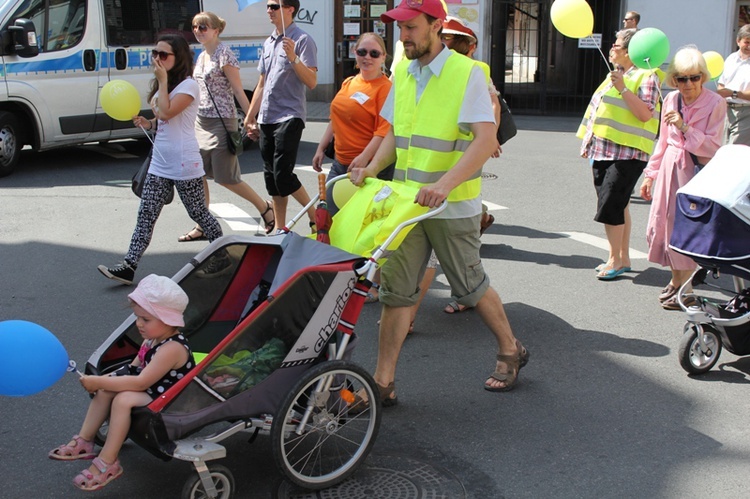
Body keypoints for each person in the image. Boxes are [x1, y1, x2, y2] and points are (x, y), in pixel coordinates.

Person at [350, 0, 528, 399]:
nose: (404, 36)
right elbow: (395, 133)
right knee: (396, 292)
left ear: (435, 26)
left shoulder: (466, 73)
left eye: (411, 27)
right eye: (400, 29)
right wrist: (372, 168)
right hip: (410, 204)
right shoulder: (404, 72)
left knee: (469, 285)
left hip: (452, 203)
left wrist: (445, 185)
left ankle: (510, 348)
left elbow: (486, 139)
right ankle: (383, 382)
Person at [98, 35, 224, 285]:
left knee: (198, 212)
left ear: (178, 59)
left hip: (184, 163)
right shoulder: (164, 85)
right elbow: (164, 118)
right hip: (160, 163)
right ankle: (129, 266)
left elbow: (168, 110)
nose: (157, 58)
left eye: (163, 55)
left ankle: (222, 256)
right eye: (155, 53)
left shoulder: (189, 86)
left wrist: (163, 82)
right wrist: (150, 123)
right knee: (146, 214)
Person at [49, 275, 194, 492]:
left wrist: (98, 380)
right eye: (137, 317)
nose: (139, 324)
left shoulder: (172, 348)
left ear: (168, 320)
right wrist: (103, 381)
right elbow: (132, 368)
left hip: (171, 397)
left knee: (123, 399)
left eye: (146, 320)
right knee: (108, 389)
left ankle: (109, 462)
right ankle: (85, 440)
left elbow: (140, 381)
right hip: (153, 389)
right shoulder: (152, 339)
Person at [639, 47, 726, 310]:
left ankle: (684, 288)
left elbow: (713, 146)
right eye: (682, 78)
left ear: (703, 77)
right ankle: (677, 280)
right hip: (669, 168)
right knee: (665, 224)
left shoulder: (715, 103)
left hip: (696, 172)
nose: (688, 84)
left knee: (687, 227)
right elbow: (663, 142)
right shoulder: (672, 100)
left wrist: (685, 127)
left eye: (694, 77)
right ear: (674, 79)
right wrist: (650, 175)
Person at [178, 11, 275, 242]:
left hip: (223, 122)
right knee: (198, 174)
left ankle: (264, 207)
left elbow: (239, 91)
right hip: (201, 121)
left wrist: (251, 119)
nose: (198, 31)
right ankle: (202, 222)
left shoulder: (225, 55)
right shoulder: (201, 57)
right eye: (195, 27)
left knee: (226, 177)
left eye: (203, 27)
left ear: (216, 30)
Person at [577, 28, 662, 281]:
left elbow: (645, 114)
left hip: (628, 152)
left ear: (630, 51)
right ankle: (621, 257)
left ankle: (614, 259)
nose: (611, 49)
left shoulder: (645, 76)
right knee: (620, 203)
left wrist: (624, 88)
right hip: (605, 150)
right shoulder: (617, 74)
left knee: (611, 205)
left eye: (616, 45)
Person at [245, 0, 317, 232]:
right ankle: (280, 227)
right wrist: (249, 116)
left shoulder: (303, 40)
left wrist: (294, 57)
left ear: (290, 9)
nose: (269, 10)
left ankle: (315, 216)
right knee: (271, 179)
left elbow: (312, 81)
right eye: (268, 6)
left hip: (290, 115)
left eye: (274, 6)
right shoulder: (268, 42)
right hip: (267, 116)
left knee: (282, 174)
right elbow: (262, 83)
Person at [312, 32, 393, 215]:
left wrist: (364, 158)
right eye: (362, 52)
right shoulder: (349, 82)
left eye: (374, 53)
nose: (367, 57)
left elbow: (383, 131)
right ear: (355, 52)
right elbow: (336, 119)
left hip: (370, 169)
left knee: (360, 222)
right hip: (341, 164)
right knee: (327, 217)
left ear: (383, 57)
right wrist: (321, 148)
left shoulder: (385, 88)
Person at [717, 24, 750, 146]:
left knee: (734, 149)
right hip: (726, 111)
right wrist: (721, 91)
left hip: (746, 112)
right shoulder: (731, 59)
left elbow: (730, 91)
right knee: (723, 148)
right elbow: (721, 83)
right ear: (738, 41)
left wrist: (733, 93)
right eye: (747, 42)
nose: (749, 46)